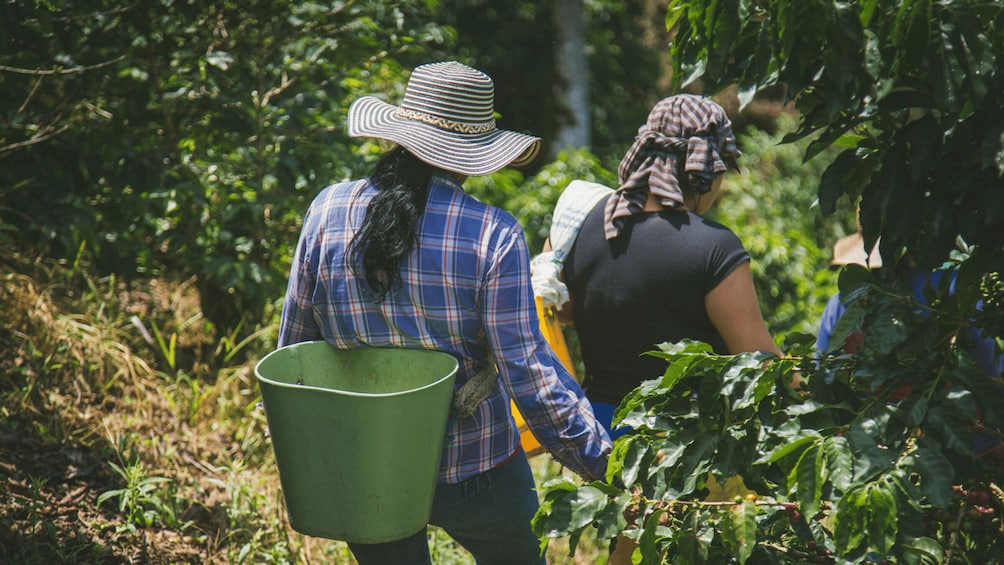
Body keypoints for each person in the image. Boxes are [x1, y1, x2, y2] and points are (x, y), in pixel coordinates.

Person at [277, 61, 611, 565]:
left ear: (398, 133)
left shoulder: (326, 211)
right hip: (477, 469)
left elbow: (296, 352)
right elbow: (528, 372)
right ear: (472, 157)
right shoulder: (492, 236)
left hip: (367, 467)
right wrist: (600, 460)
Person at [551, 94, 782, 441]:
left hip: (592, 435)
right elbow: (759, 362)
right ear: (709, 169)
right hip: (676, 452)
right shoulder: (713, 246)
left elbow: (563, 312)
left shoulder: (580, 223)